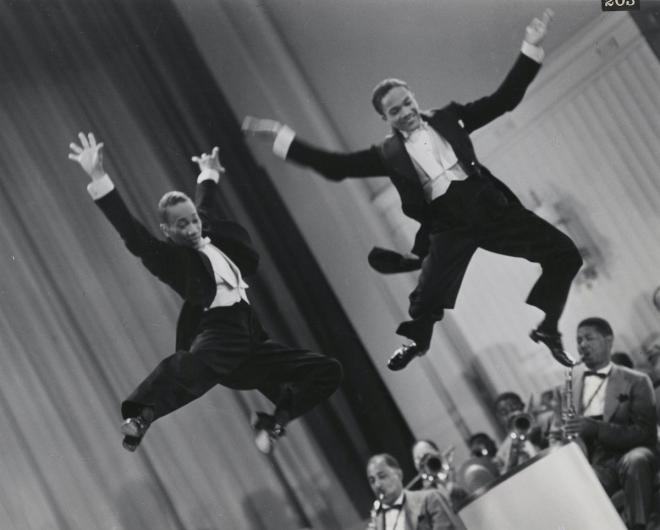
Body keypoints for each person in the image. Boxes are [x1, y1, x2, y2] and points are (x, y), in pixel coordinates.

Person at [243, 10, 581, 371]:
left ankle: (548, 328)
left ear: (414, 98)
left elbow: (505, 99)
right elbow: (335, 166)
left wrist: (531, 45)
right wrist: (281, 137)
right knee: (427, 297)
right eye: (394, 110)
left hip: (490, 206)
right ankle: (414, 345)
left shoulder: (451, 118)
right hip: (448, 223)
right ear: (384, 120)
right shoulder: (386, 155)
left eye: (407, 102)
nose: (405, 112)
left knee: (565, 254)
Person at [68, 132, 343, 454]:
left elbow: (205, 204)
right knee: (187, 369)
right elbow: (133, 233)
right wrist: (99, 177)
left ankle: (274, 421)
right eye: (182, 225)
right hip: (221, 329)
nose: (192, 228)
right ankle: (141, 419)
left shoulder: (206, 230)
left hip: (251, 336)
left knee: (327, 370)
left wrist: (208, 173)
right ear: (168, 231)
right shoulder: (171, 259)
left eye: (193, 221)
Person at [563, 317, 657, 530]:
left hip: (635, 452)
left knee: (636, 460)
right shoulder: (573, 387)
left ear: (608, 340)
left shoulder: (637, 380)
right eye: (578, 341)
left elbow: (645, 433)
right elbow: (560, 433)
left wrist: (596, 428)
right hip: (600, 463)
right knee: (580, 483)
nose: (582, 345)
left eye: (589, 338)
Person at [366, 453, 464, 530]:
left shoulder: (430, 498)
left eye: (382, 476)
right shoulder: (377, 520)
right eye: (372, 481)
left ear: (399, 474)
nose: (377, 485)